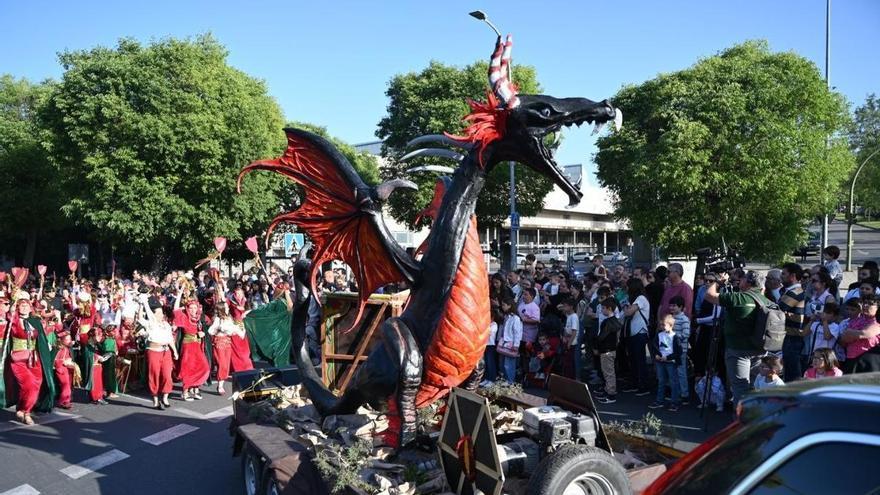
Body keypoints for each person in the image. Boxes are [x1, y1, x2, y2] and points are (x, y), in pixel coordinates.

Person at [704, 270, 770, 404]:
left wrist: (717, 282)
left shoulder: (738, 298)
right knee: (753, 386)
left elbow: (709, 295)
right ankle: (753, 415)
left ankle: (741, 416)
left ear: (748, 282)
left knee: (740, 388)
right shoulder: (767, 301)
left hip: (738, 350)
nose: (740, 281)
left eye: (743, 278)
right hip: (761, 349)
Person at [5, 294, 55, 424]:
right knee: (28, 384)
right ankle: (24, 410)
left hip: (34, 359)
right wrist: (13, 302)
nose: (24, 307)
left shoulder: (35, 321)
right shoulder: (14, 320)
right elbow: (9, 315)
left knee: (36, 384)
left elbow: (41, 339)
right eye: (21, 305)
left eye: (26, 305)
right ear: (17, 307)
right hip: (18, 359)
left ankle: (24, 410)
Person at [139, 301, 178, 409]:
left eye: (162, 313)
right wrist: (142, 304)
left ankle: (165, 397)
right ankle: (155, 399)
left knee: (167, 375)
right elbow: (140, 318)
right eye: (158, 313)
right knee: (154, 375)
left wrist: (175, 351)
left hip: (166, 351)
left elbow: (170, 339)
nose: (161, 315)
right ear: (153, 314)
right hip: (154, 351)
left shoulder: (166, 324)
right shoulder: (150, 323)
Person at [173, 298, 210, 401]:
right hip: (188, 347)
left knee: (203, 367)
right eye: (191, 308)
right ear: (187, 309)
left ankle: (195, 388)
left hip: (198, 346)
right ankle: (185, 392)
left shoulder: (199, 318)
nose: (193, 310)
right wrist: (179, 294)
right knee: (188, 369)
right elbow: (175, 310)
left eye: (195, 308)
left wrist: (202, 334)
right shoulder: (184, 317)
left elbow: (207, 326)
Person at [621, 278, 651, 396]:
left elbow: (629, 312)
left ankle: (643, 385)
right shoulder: (634, 299)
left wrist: (625, 306)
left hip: (640, 333)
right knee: (633, 359)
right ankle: (634, 383)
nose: (627, 289)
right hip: (632, 333)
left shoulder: (641, 298)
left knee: (640, 360)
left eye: (628, 286)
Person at [778, 263, 806, 382]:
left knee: (792, 375)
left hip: (793, 338)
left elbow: (778, 309)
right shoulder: (789, 291)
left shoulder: (795, 292)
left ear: (793, 276)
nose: (781, 276)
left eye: (784, 274)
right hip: (789, 337)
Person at [649, 314, 683, 411]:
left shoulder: (675, 337)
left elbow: (678, 351)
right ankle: (659, 400)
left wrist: (667, 357)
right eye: (661, 325)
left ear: (670, 325)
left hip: (670, 362)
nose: (662, 327)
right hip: (660, 361)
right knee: (661, 381)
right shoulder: (659, 335)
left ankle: (674, 402)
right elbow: (654, 346)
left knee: (673, 382)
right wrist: (656, 354)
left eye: (664, 325)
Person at [207, 302, 243, 394]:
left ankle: (221, 383)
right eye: (226, 307)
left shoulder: (229, 318)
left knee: (226, 364)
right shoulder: (217, 319)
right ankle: (220, 385)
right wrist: (219, 329)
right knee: (222, 363)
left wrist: (236, 331)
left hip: (227, 342)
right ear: (222, 309)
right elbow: (211, 331)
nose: (228, 309)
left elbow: (232, 329)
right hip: (219, 342)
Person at [839, 293, 880, 374]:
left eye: (870, 304)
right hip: (851, 359)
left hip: (869, 361)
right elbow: (843, 340)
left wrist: (851, 333)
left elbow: (865, 333)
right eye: (865, 303)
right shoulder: (856, 320)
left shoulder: (877, 322)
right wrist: (853, 334)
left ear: (878, 307)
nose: (865, 305)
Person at [594, 298, 622, 404]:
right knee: (609, 372)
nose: (602, 310)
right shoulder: (616, 321)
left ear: (609, 308)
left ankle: (611, 394)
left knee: (608, 373)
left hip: (606, 350)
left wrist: (596, 347)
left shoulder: (607, 323)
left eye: (603, 308)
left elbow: (601, 337)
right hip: (612, 349)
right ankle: (608, 390)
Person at [669, 296, 691, 404]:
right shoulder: (670, 318)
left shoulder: (684, 319)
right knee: (673, 372)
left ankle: (684, 394)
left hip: (681, 350)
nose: (671, 308)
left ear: (681, 307)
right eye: (671, 305)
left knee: (681, 372)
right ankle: (676, 393)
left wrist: (673, 335)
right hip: (671, 350)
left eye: (674, 306)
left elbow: (686, 334)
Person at [656, 263, 694, 328]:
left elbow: (685, 310)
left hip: (675, 328)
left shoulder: (685, 288)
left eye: (668, 272)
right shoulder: (668, 287)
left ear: (677, 273)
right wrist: (659, 321)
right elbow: (661, 305)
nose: (666, 274)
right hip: (663, 326)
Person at [497, 297, 522, 383]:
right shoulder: (506, 316)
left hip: (511, 343)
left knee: (508, 364)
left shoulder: (515, 318)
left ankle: (510, 381)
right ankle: (504, 379)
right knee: (502, 363)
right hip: (504, 342)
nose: (502, 307)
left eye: (504, 305)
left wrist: (516, 345)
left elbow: (517, 333)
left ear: (509, 306)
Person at [52, 330, 76, 409]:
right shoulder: (60, 349)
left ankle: (66, 400)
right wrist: (64, 362)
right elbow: (55, 360)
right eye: (67, 339)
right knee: (66, 385)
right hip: (61, 370)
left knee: (68, 385)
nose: (70, 341)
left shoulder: (67, 348)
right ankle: (64, 401)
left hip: (67, 369)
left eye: (70, 339)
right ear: (62, 340)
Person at [480, 309, 502, 387]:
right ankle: (486, 378)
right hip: (485, 345)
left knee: (491, 363)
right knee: (486, 363)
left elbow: (488, 333)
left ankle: (492, 379)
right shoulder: (487, 324)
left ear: (492, 317)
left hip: (490, 345)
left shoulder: (494, 324)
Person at [559, 298, 579, 379]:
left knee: (569, 363)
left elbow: (574, 332)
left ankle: (570, 378)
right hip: (567, 341)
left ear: (571, 307)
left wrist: (569, 343)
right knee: (566, 362)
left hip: (571, 343)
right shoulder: (569, 316)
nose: (564, 308)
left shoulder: (574, 317)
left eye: (565, 306)